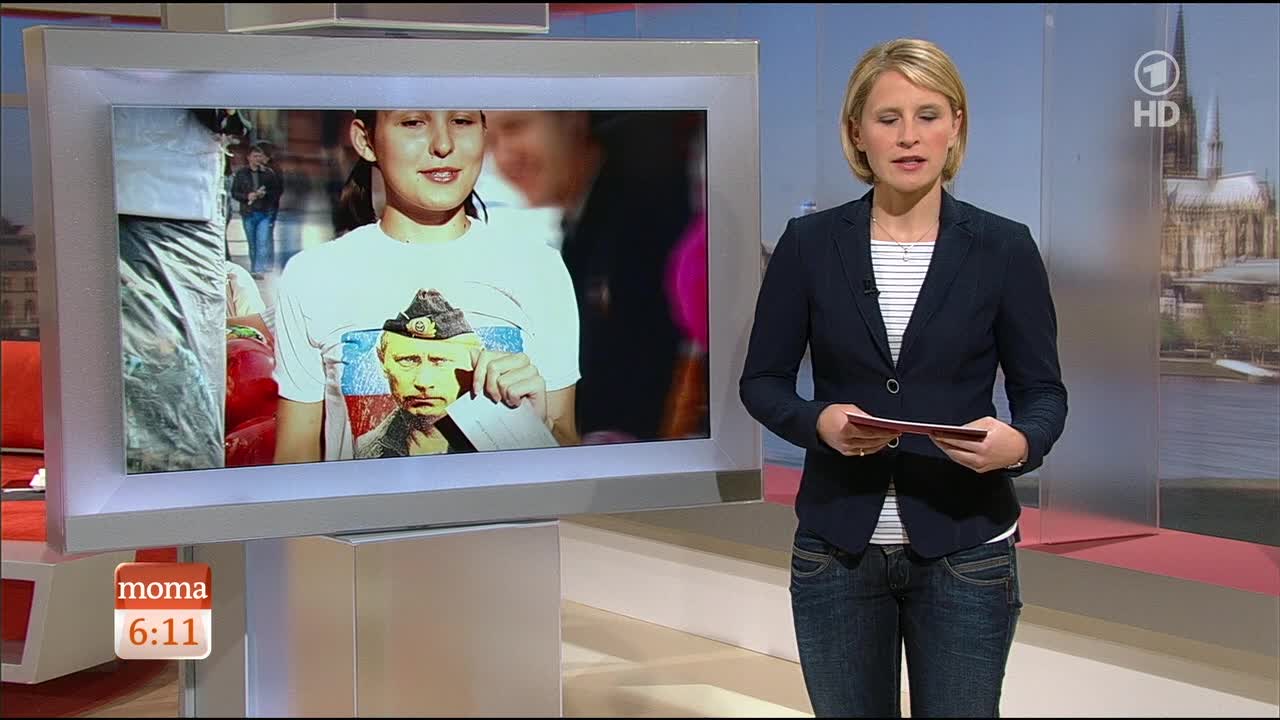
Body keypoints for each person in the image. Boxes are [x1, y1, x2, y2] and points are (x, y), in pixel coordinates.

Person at [739, 39, 1068, 718]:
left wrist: (1020, 445)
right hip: (837, 553)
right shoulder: (808, 245)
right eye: (888, 118)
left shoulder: (1004, 247)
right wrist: (818, 423)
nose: (909, 136)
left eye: (928, 115)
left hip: (966, 550)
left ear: (956, 126)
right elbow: (763, 382)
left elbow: (1043, 393)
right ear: (856, 132)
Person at [272, 109, 581, 465]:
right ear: (365, 140)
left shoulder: (537, 269)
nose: (443, 145)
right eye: (413, 123)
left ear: (484, 132)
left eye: (461, 121)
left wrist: (535, 427)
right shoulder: (315, 275)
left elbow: (567, 445)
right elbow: (295, 458)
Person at [485, 110, 696, 443]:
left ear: (573, 118)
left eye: (515, 127)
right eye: (490, 142)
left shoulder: (648, 215)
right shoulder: (584, 226)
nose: (504, 156)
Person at [355, 289, 483, 458]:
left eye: (440, 361)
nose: (423, 382)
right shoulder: (359, 452)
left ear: (474, 363)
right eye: (407, 360)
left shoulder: (504, 437)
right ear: (382, 361)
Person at [230, 143, 284, 276]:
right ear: (248, 157)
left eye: (259, 156)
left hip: (264, 213)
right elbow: (235, 193)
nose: (258, 159)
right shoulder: (241, 174)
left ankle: (258, 269)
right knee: (252, 243)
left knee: (262, 242)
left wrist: (265, 195)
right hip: (248, 213)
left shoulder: (268, 173)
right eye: (255, 156)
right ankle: (254, 266)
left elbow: (276, 192)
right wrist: (247, 196)